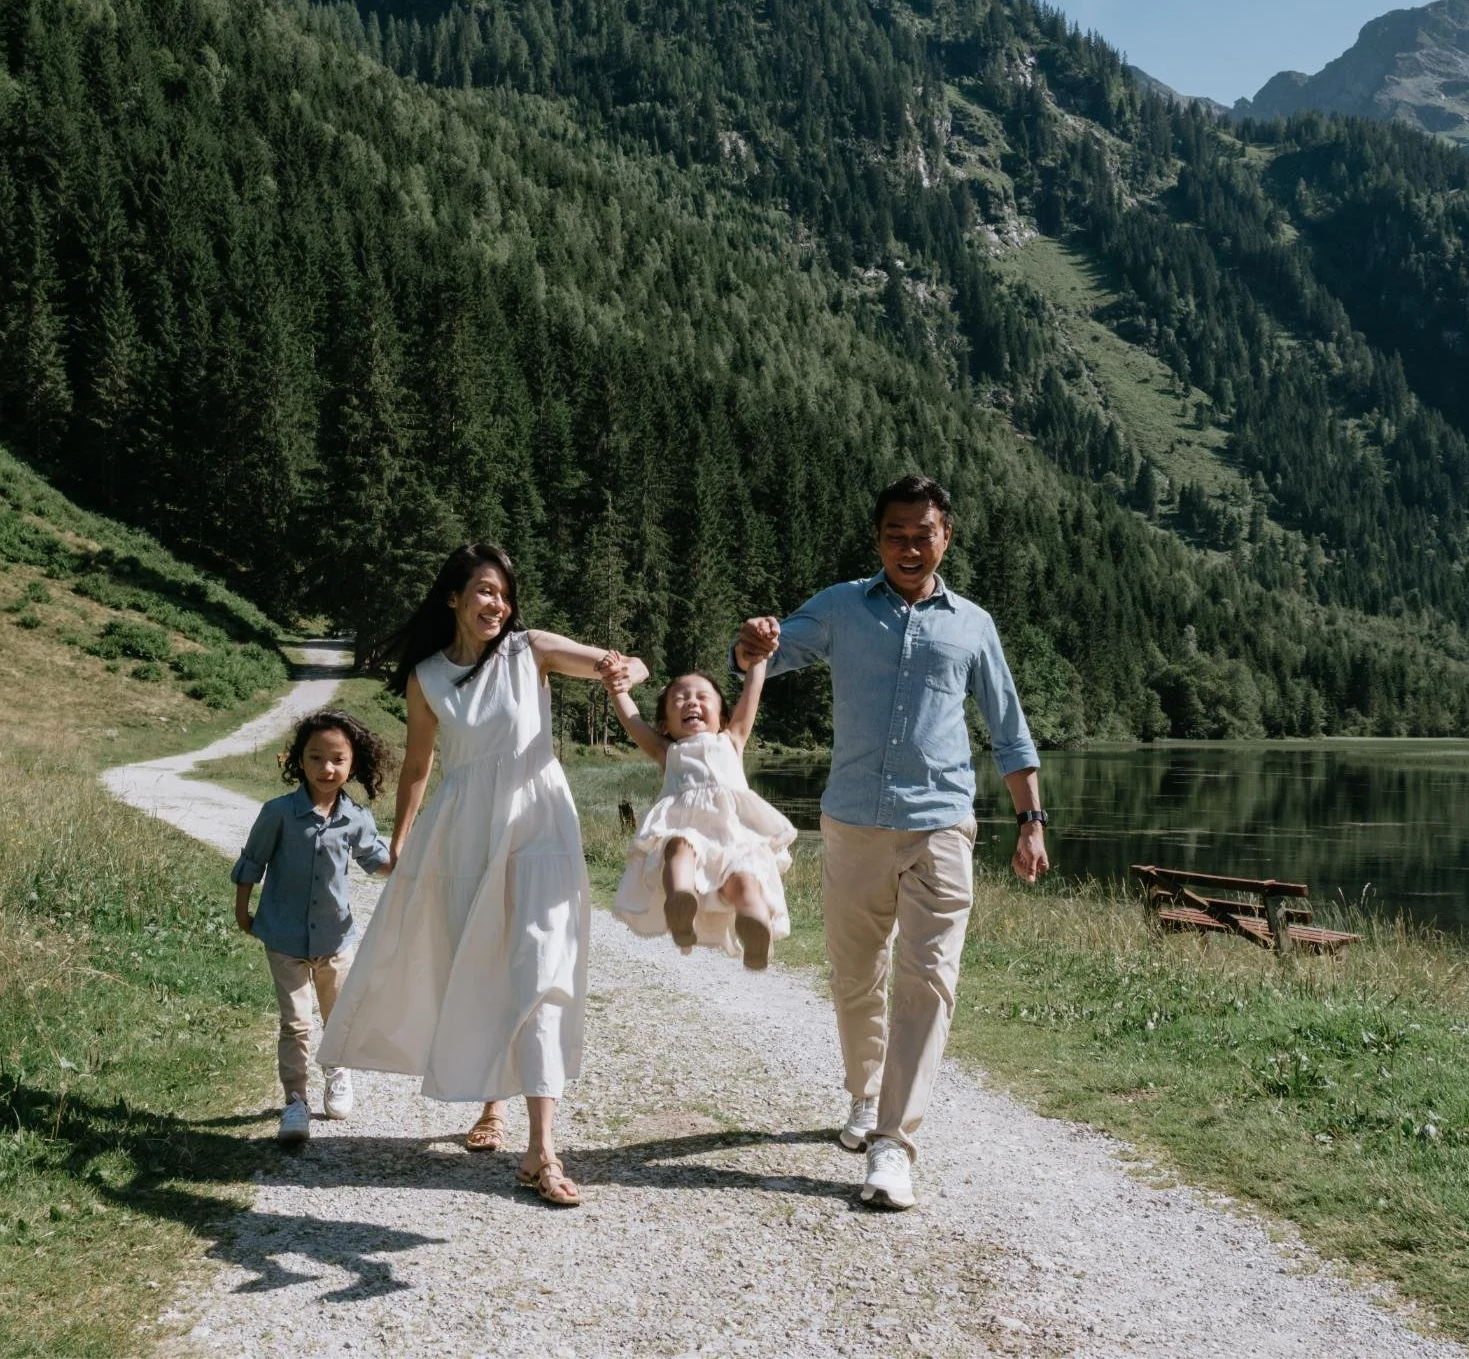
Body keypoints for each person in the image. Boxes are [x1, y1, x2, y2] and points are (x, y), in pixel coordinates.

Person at [734, 475, 1049, 1212]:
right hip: (852, 822)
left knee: (929, 977)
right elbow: (767, 656)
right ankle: (862, 1093)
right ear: (878, 539)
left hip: (941, 821)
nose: (910, 547)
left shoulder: (972, 624)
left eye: (923, 533)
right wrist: (751, 644)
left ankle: (891, 1143)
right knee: (854, 976)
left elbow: (1008, 728)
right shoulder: (842, 606)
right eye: (895, 534)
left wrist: (1031, 822)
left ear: (946, 537)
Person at [318, 543, 644, 1208]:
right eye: (483, 591)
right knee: (486, 965)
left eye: (503, 592)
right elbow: (416, 768)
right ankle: (492, 1107)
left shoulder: (532, 650)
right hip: (466, 830)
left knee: (542, 968)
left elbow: (620, 662)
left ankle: (542, 1148)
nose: (496, 603)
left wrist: (622, 667)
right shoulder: (427, 677)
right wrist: (402, 845)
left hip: (541, 825)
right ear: (452, 598)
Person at [231, 709, 394, 1146]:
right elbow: (253, 862)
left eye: (337, 759)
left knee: (336, 1017)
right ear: (298, 761)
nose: (327, 768)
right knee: (296, 1022)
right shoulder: (279, 813)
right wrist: (243, 910)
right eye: (316, 757)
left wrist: (415, 859)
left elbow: (378, 862)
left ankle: (337, 1074)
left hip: (335, 940)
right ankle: (295, 1103)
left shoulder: (356, 818)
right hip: (283, 937)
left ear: (352, 764)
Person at [601, 655, 795, 970]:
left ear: (722, 716)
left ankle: (756, 927)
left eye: (702, 697)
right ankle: (681, 901)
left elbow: (751, 692)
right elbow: (632, 720)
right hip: (687, 834)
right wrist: (617, 688)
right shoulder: (666, 750)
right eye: (680, 698)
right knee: (677, 848)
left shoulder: (732, 740)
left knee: (745, 882)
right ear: (664, 724)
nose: (691, 702)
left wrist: (759, 659)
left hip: (735, 838)